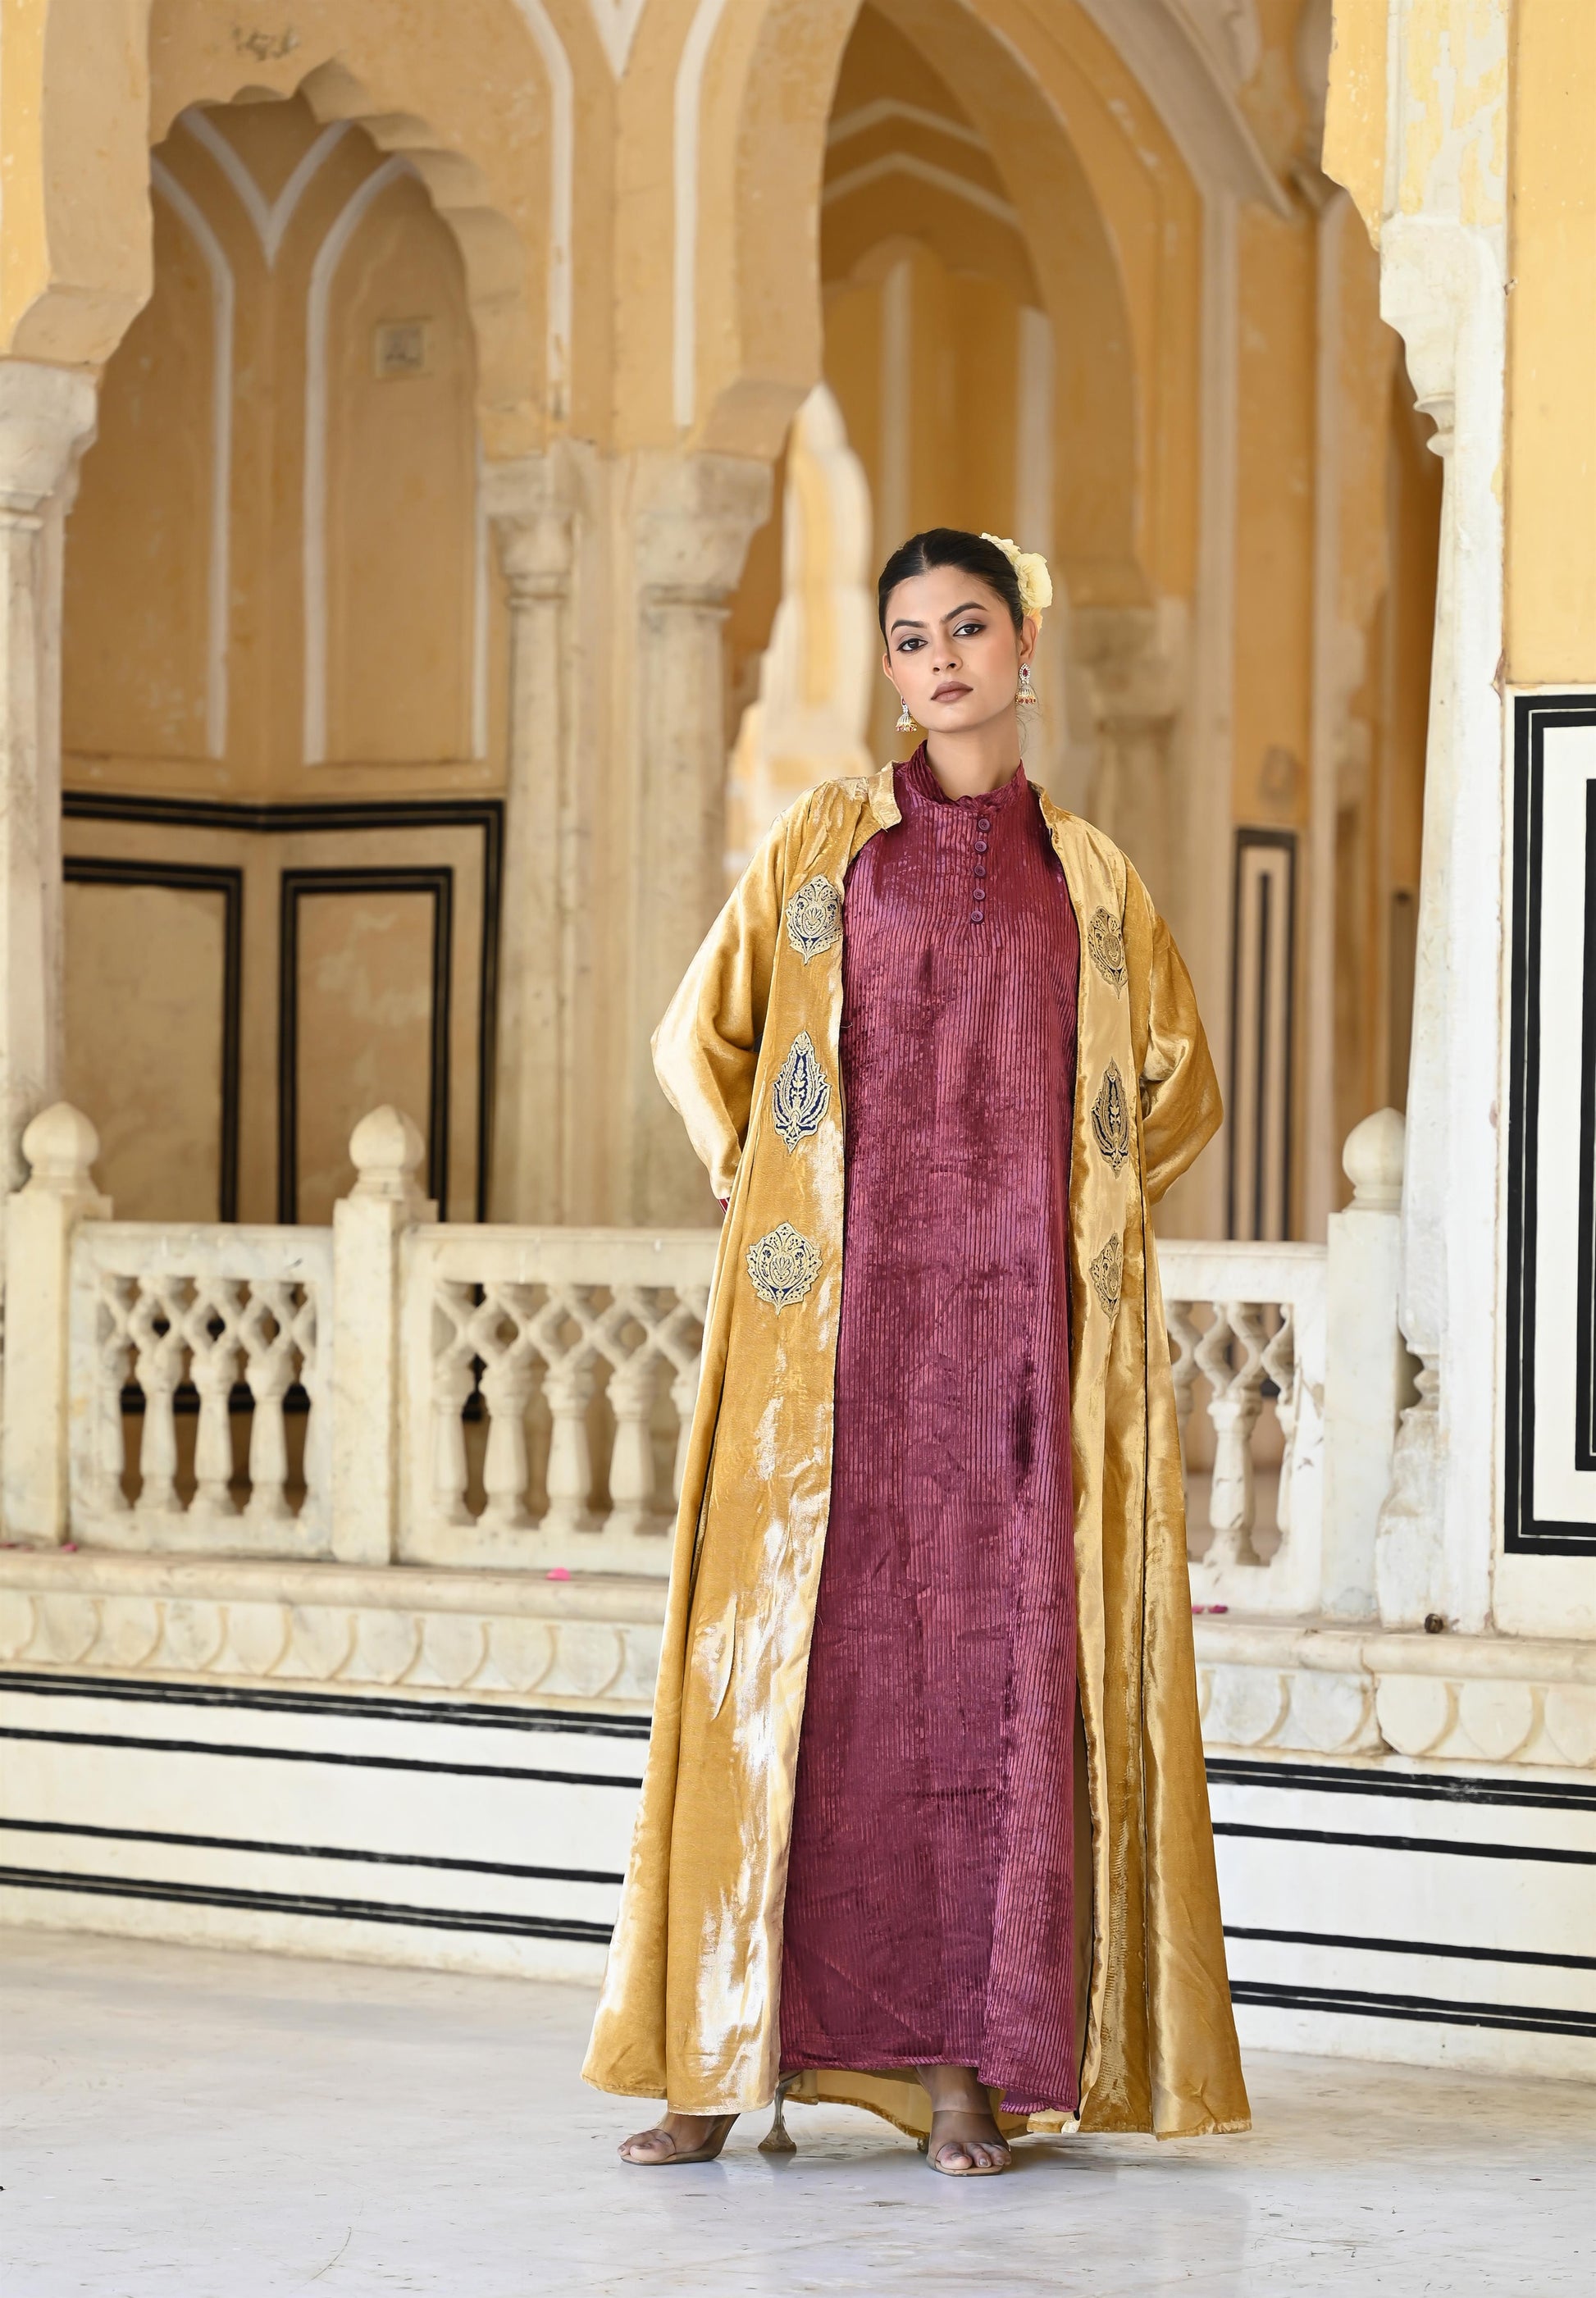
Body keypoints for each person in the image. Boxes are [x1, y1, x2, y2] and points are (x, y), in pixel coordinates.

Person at [583, 527, 1248, 2176]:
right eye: (908, 637)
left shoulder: (1088, 882)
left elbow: (1176, 1082)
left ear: (1024, 643)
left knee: (982, 1695)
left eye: (966, 628)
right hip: (834, 1349)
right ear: (889, 669)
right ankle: (717, 2056)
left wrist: (1078, 1214)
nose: (939, 659)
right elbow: (700, 1036)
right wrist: (762, 1179)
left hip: (1013, 1363)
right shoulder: (825, 847)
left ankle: (966, 2068)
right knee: (801, 1680)